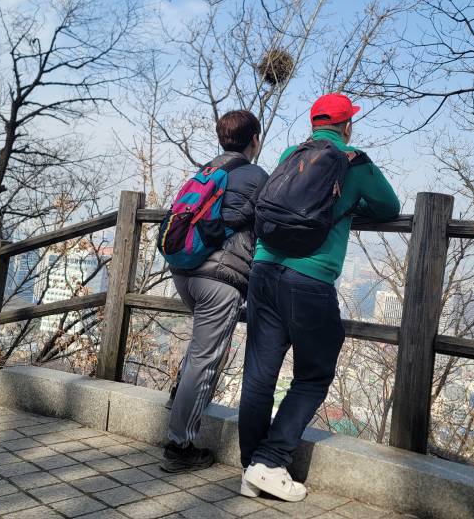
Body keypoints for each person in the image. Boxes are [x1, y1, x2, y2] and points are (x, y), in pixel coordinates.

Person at [238, 94, 401, 501]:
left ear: (314, 124)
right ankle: (270, 462)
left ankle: (251, 466)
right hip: (308, 279)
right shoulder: (353, 160)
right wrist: (352, 201)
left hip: (262, 268)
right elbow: (389, 206)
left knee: (259, 373)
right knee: (313, 373)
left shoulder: (292, 153)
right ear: (347, 126)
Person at [160, 109, 268, 473]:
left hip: (184, 272)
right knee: (206, 359)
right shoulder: (257, 176)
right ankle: (179, 447)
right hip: (220, 280)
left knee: (199, 352)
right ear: (254, 139)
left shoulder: (205, 171)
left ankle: (179, 408)